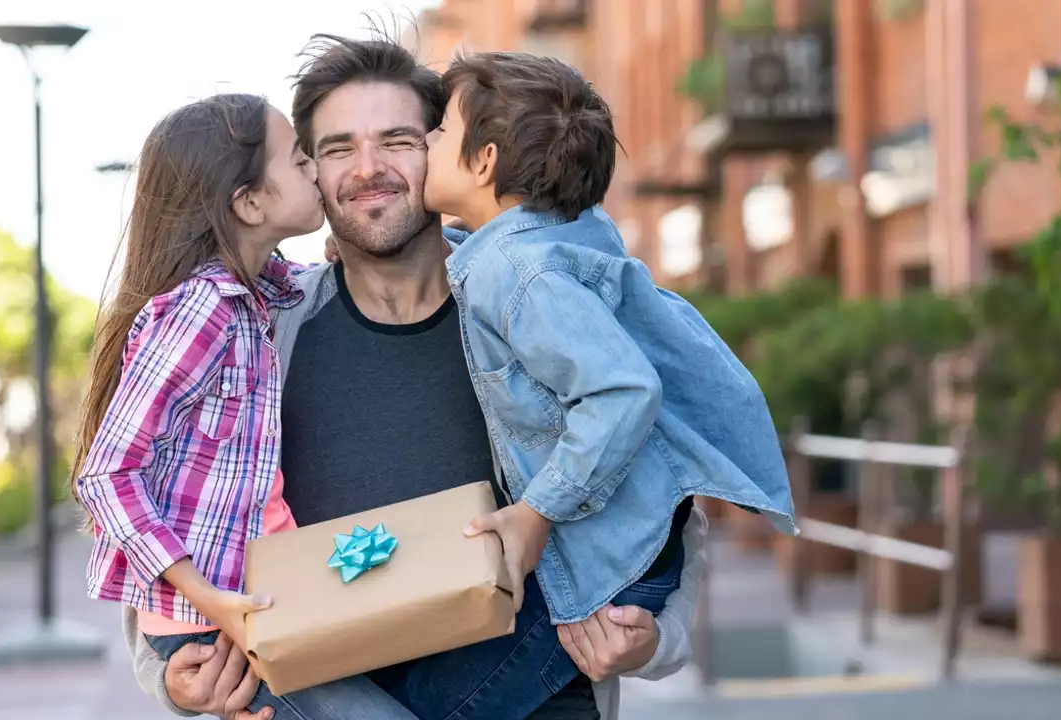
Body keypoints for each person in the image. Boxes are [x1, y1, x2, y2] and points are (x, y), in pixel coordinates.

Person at [124, 35, 707, 720]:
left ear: (450, 151)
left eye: (398, 139)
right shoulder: (258, 340)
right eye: (338, 147)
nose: (368, 169)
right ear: (306, 171)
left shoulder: (540, 312)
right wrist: (171, 680)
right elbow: (168, 522)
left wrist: (655, 640)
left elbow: (660, 492)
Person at [73, 93, 421, 719]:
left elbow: (308, 279)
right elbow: (105, 475)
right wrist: (213, 604)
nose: (316, 169)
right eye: (298, 161)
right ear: (250, 202)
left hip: (263, 595)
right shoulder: (201, 310)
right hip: (218, 617)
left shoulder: (258, 294)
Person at [424, 50, 795, 630]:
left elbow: (623, 391)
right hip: (640, 544)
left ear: (484, 161)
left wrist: (534, 513)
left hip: (616, 570)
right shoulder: (555, 239)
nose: (425, 140)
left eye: (441, 130)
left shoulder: (519, 273)